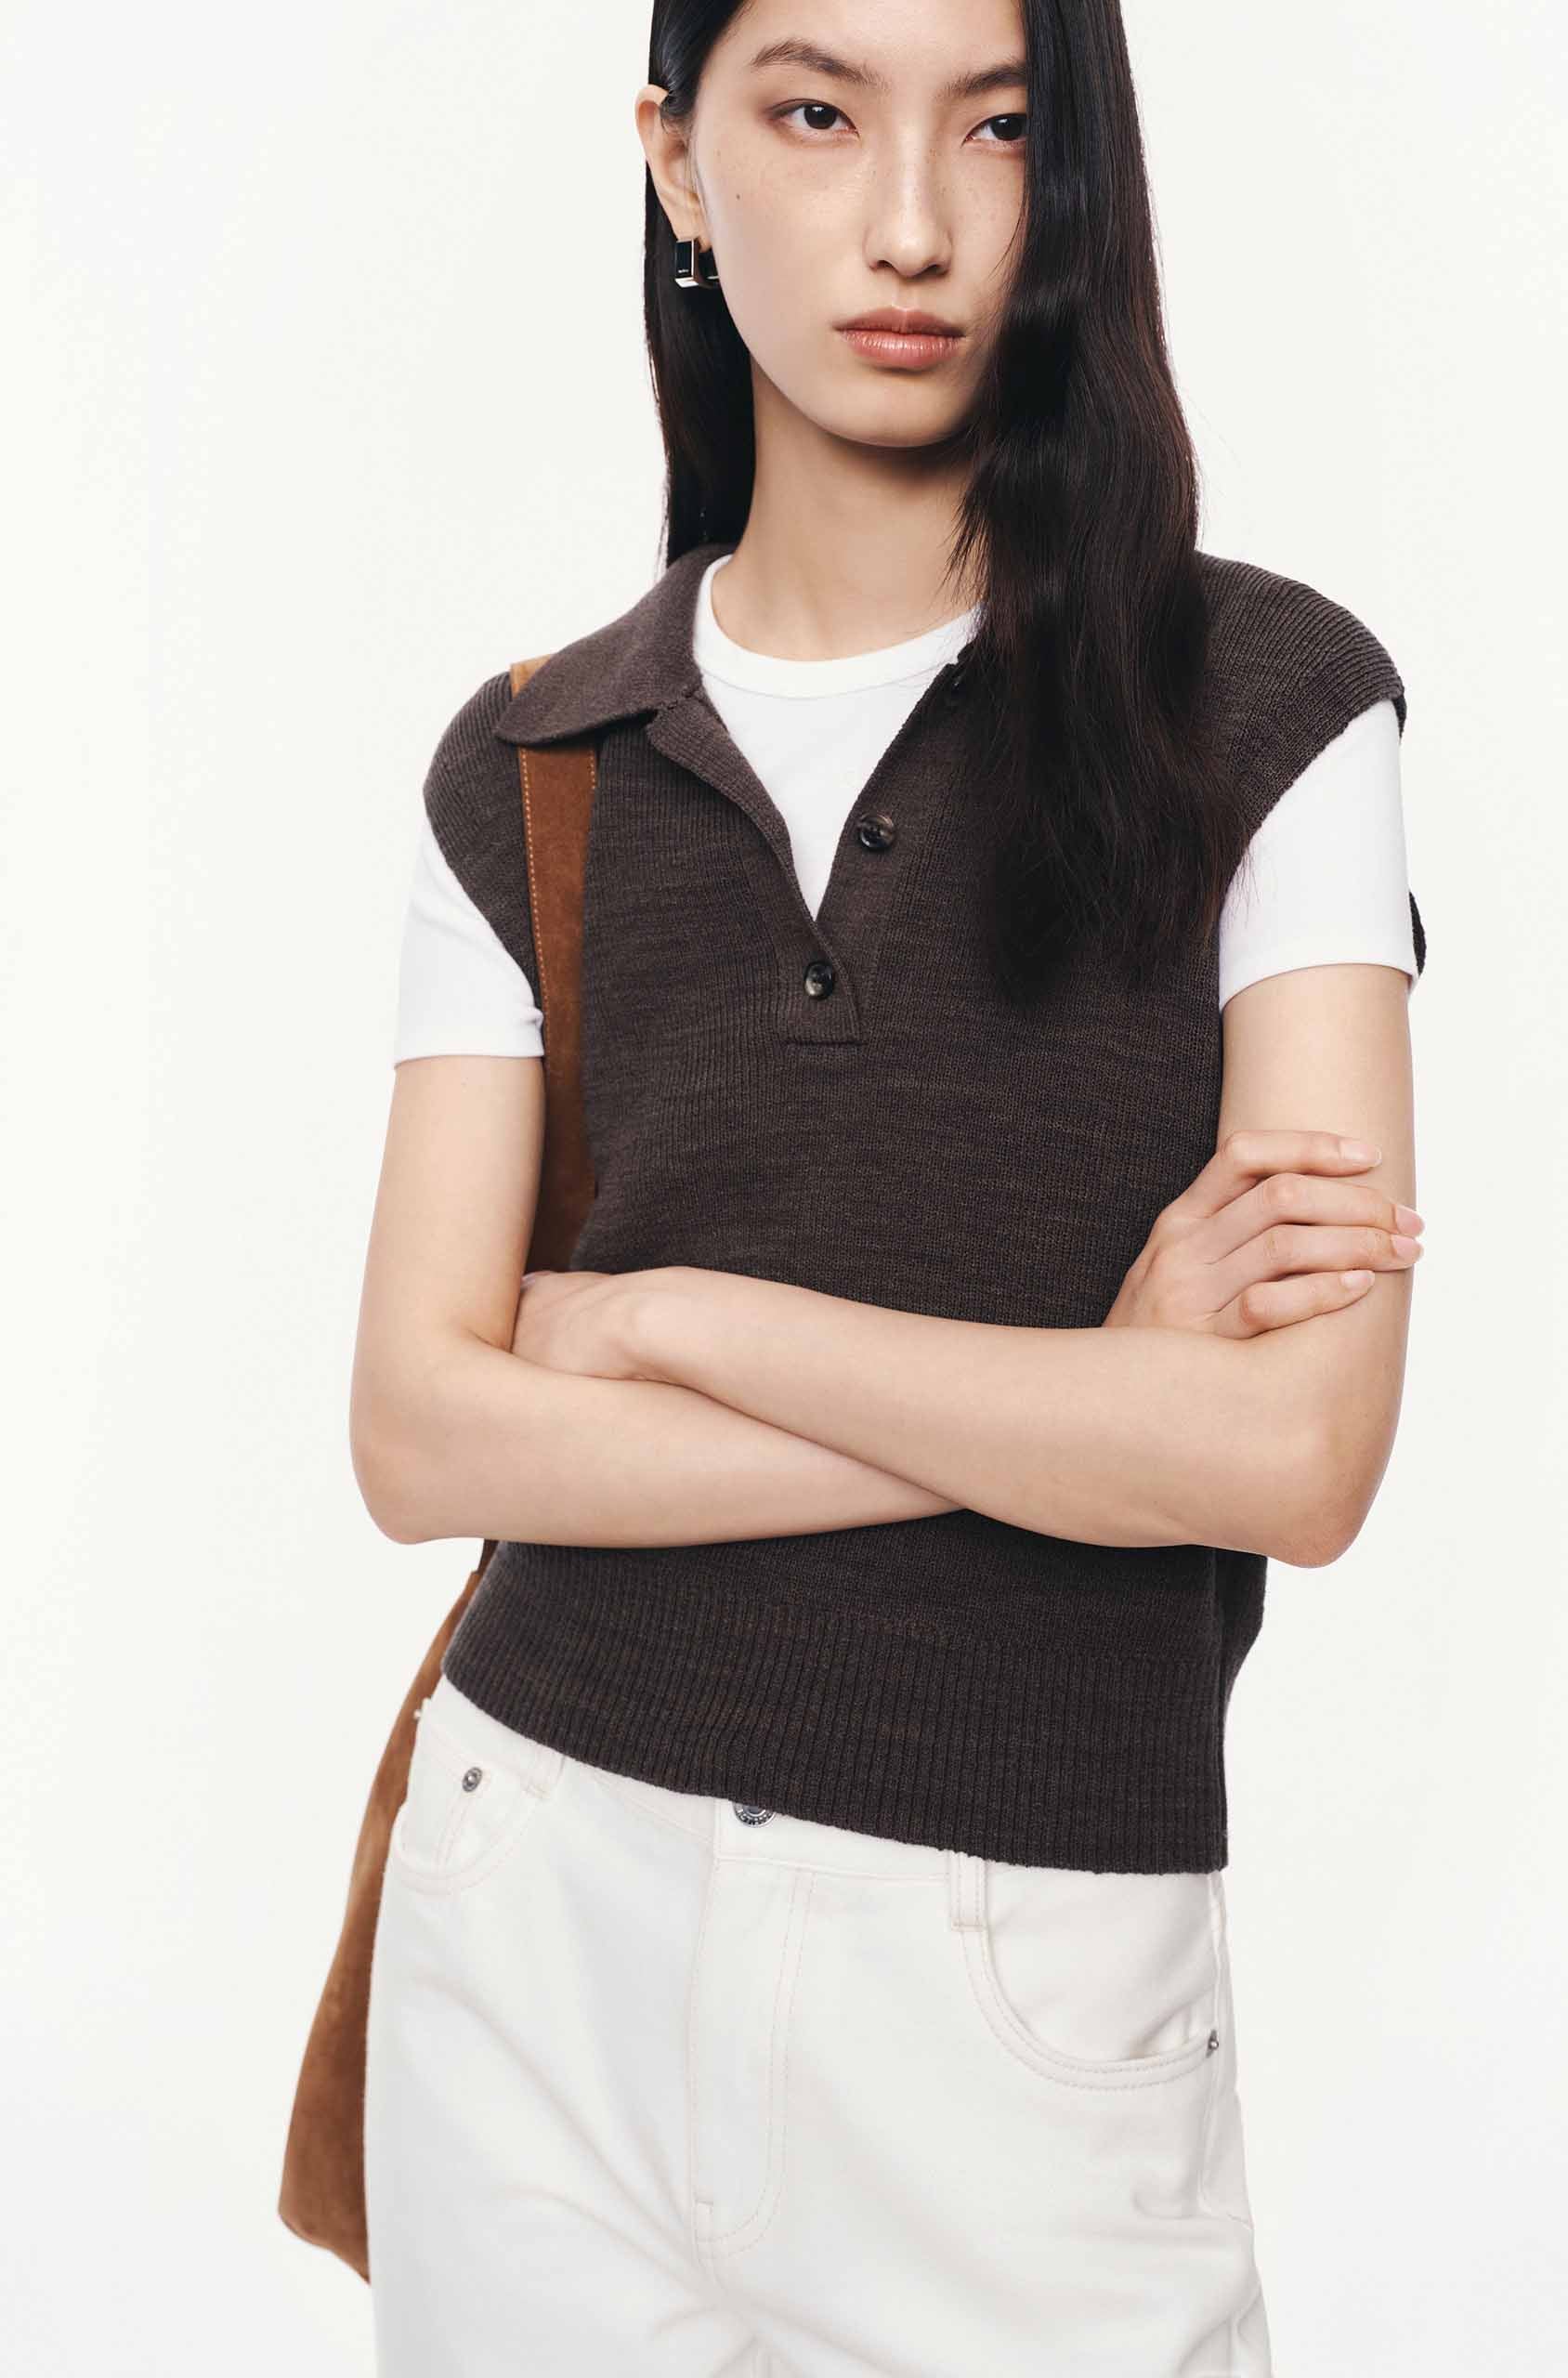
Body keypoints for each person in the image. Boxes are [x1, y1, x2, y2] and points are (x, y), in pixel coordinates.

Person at [351, 2, 1428, 2371]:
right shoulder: (531, 758)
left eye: (1002, 125)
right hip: (535, 1916)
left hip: (1020, 1975)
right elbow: (422, 1439)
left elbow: (1291, 1451)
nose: (915, 223)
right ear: (678, 157)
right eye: (818, 114)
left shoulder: (1265, 707)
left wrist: (662, 1317)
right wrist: (1084, 1404)